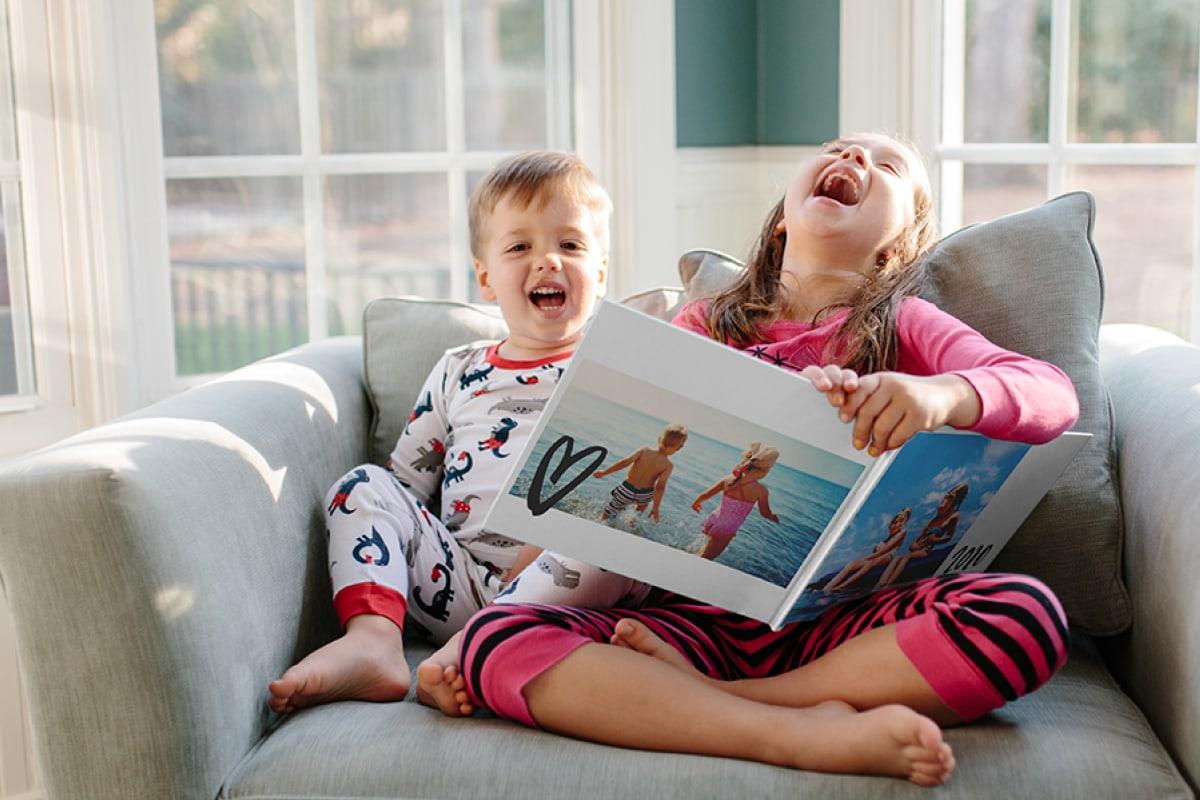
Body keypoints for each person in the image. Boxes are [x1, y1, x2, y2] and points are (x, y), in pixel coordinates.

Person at [446, 132, 1081, 785]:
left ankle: (753, 705)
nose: (854, 158)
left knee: (1025, 614)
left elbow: (1053, 396)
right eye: (837, 147)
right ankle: (790, 736)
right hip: (686, 623)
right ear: (783, 219)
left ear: (897, 245)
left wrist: (943, 394)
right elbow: (597, 520)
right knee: (498, 644)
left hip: (843, 632)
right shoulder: (705, 324)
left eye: (886, 164)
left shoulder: (908, 324)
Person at [265, 150, 611, 714]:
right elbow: (405, 484)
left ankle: (460, 655)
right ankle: (373, 643)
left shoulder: (611, 370)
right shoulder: (459, 369)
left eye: (570, 245)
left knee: (604, 539)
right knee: (364, 484)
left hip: (568, 592)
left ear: (599, 272)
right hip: (460, 581)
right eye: (520, 246)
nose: (548, 260)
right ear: (485, 278)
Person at [692, 442, 781, 560]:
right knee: (707, 558)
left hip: (714, 519)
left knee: (706, 550)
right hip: (727, 528)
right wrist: (773, 517)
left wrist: (696, 503)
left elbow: (707, 493)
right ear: (763, 471)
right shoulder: (761, 490)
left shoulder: (729, 479)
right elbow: (764, 513)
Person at [874, 485, 967, 590]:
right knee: (897, 558)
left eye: (952, 495)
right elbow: (921, 534)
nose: (947, 496)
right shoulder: (934, 519)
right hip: (918, 546)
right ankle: (881, 583)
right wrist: (914, 542)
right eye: (949, 494)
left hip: (926, 549)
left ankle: (889, 583)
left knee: (905, 557)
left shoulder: (954, 516)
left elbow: (949, 537)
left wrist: (934, 540)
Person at [593, 423, 689, 523]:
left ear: (659, 439)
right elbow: (660, 487)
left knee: (607, 514)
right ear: (679, 448)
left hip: (626, 489)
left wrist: (604, 472)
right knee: (641, 508)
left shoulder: (644, 450)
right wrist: (655, 509)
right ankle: (632, 522)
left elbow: (625, 462)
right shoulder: (668, 465)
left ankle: (601, 523)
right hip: (644, 494)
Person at [822, 507, 912, 594]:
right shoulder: (892, 528)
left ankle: (840, 587)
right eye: (898, 519)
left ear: (906, 521)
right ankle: (827, 588)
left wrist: (867, 557)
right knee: (851, 564)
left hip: (889, 555)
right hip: (879, 554)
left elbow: (886, 550)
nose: (898, 522)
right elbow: (883, 547)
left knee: (870, 563)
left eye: (903, 519)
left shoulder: (903, 532)